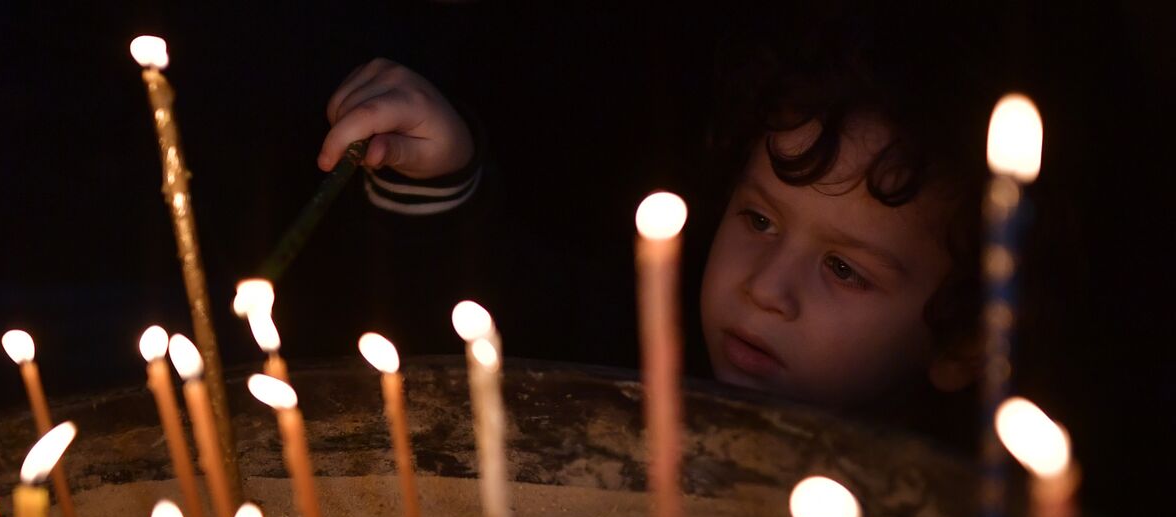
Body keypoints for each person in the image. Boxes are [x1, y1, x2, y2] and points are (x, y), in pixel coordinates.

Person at [315, 6, 993, 436]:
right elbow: (504, 303)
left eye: (844, 269)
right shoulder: (634, 358)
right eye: (759, 220)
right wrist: (442, 178)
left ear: (962, 344)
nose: (764, 288)